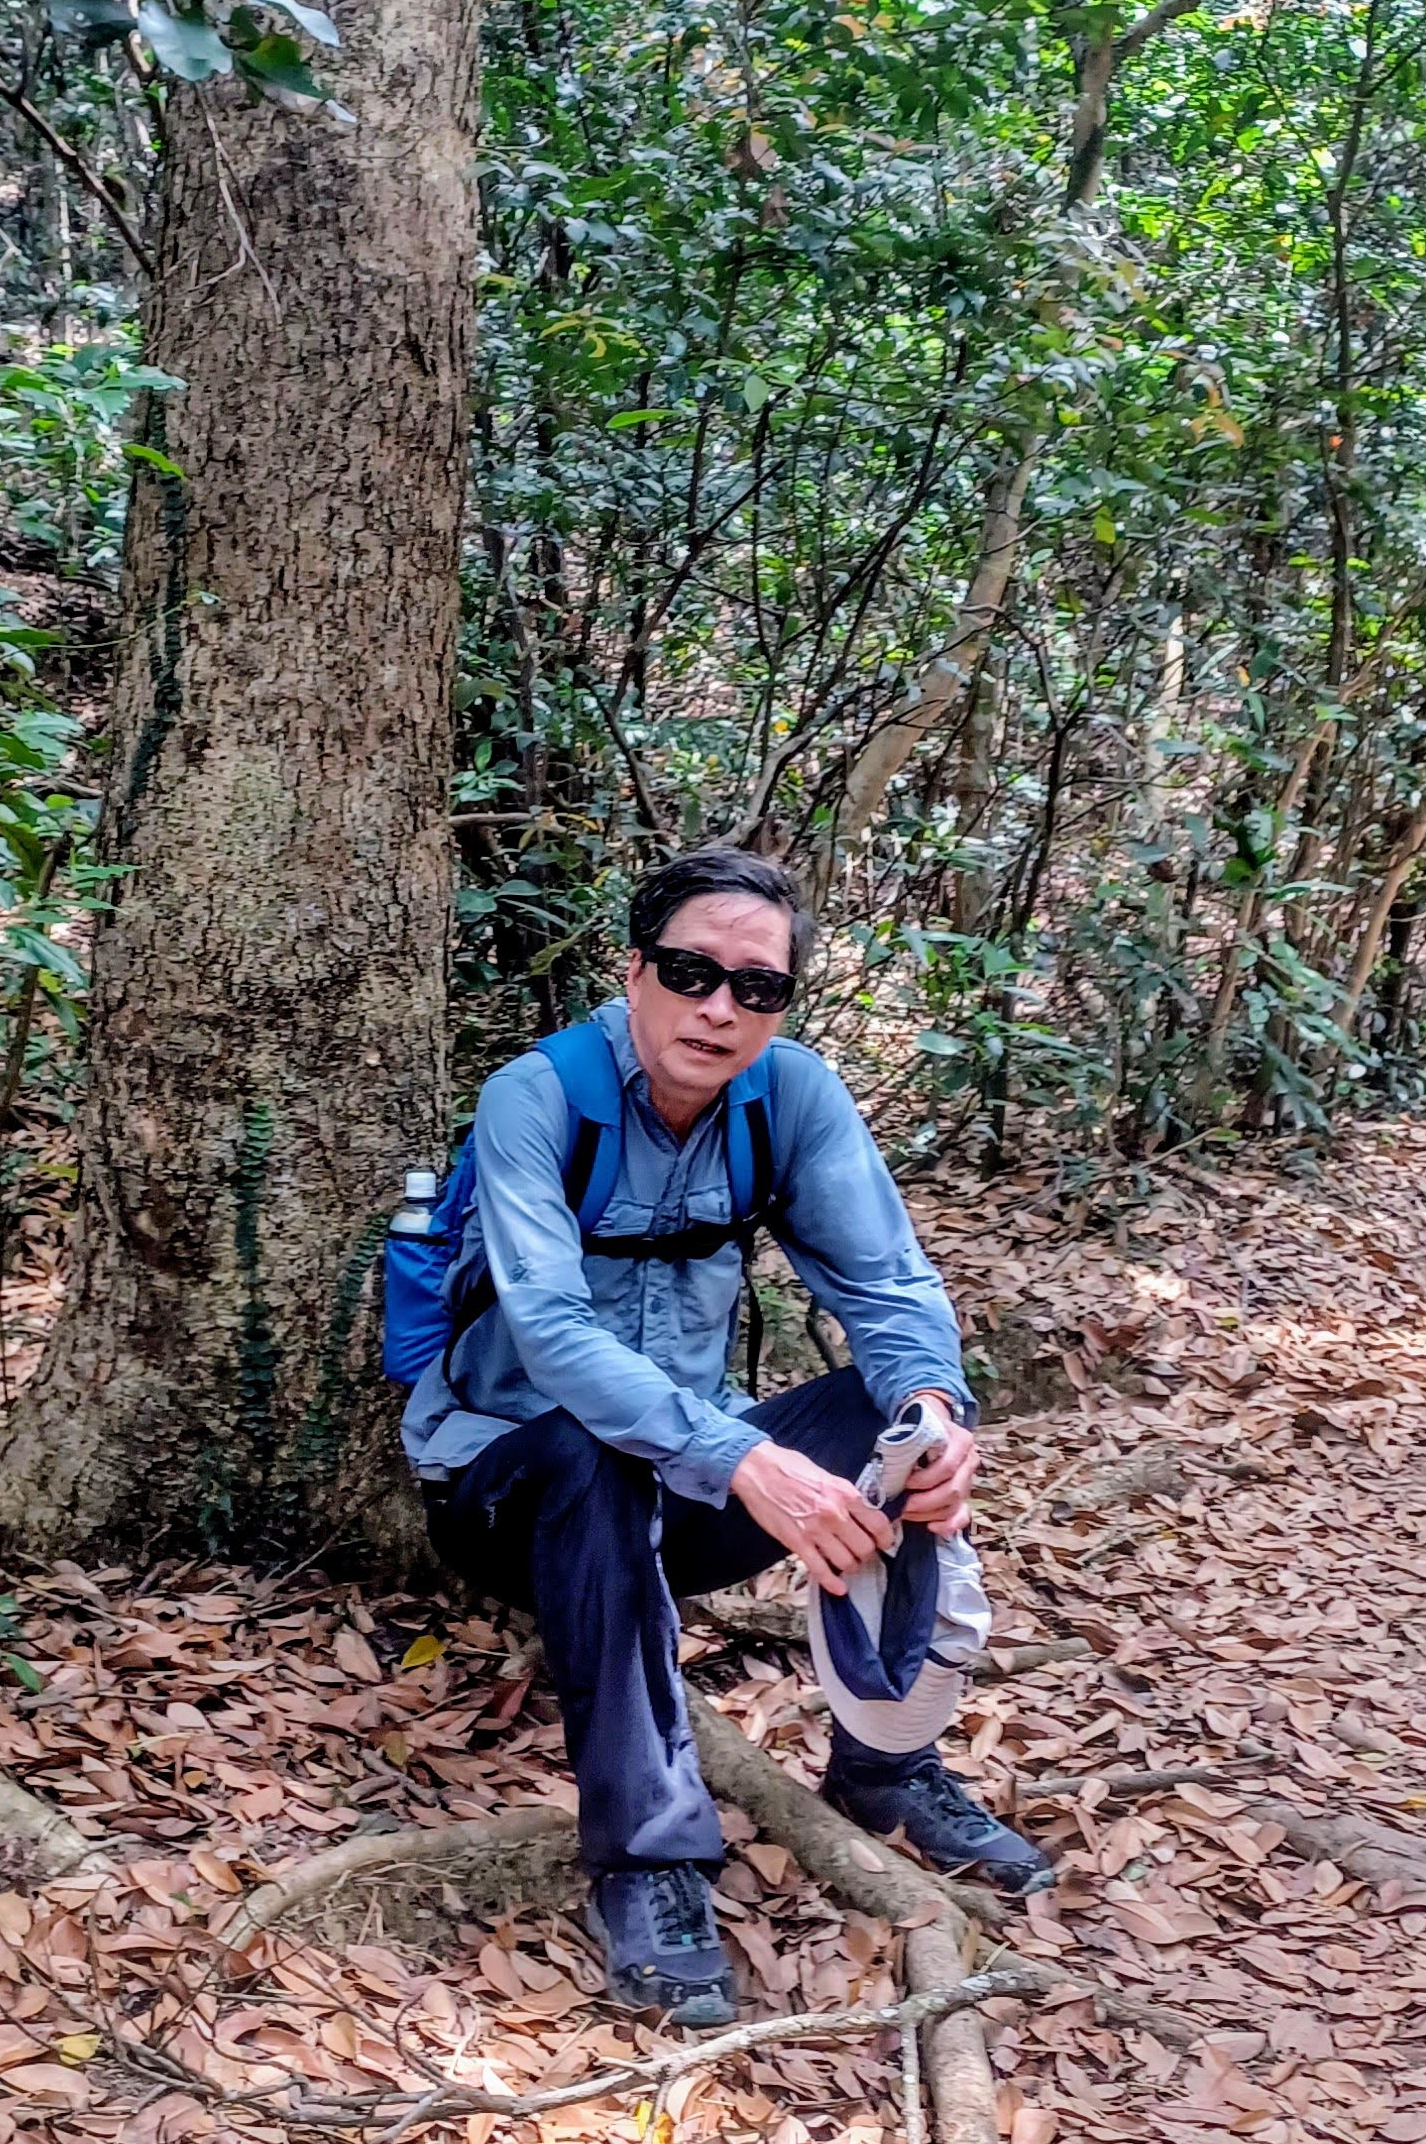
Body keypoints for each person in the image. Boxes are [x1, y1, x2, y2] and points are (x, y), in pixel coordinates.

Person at [403, 844, 1052, 2026]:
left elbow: (887, 1284)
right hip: (510, 1493)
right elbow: (551, 1334)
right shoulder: (537, 1099)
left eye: (756, 987)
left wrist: (935, 1413)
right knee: (593, 1443)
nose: (719, 1009)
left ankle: (885, 1763)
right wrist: (746, 1459)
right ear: (634, 971)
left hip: (680, 1497)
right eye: (691, 973)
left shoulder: (788, 1097)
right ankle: (647, 1863)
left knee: (890, 1416)